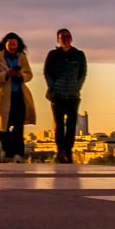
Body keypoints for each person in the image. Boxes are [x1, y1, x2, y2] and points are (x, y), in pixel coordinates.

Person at [0, 32, 36, 163]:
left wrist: (21, 75)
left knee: (19, 125)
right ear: (5, 44)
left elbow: (29, 74)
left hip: (19, 95)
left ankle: (18, 153)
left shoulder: (22, 57)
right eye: (10, 44)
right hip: (3, 95)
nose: (12, 46)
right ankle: (6, 149)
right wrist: (7, 74)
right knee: (5, 125)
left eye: (14, 44)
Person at [43, 28, 87, 164]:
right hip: (57, 95)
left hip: (73, 95)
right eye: (62, 37)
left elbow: (83, 73)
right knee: (59, 124)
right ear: (58, 39)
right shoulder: (53, 55)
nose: (65, 39)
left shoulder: (79, 55)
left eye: (67, 37)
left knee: (72, 124)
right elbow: (47, 73)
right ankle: (60, 149)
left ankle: (68, 151)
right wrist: (54, 88)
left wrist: (77, 87)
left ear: (71, 38)